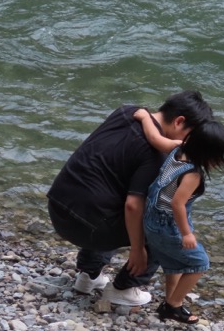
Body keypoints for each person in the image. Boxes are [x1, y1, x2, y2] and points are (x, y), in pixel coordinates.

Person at [47, 91, 213, 306]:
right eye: (190, 136)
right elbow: (133, 206)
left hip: (58, 206)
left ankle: (88, 276)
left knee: (105, 195)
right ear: (180, 121)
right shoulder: (157, 156)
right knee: (161, 226)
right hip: (88, 227)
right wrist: (138, 250)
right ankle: (123, 288)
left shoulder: (126, 112)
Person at [133, 108, 224, 323]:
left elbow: (156, 139)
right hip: (166, 223)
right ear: (204, 152)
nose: (218, 164)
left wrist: (144, 117)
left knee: (175, 263)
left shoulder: (178, 149)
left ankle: (170, 298)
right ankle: (173, 305)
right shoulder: (193, 174)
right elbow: (178, 204)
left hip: (151, 215)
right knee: (199, 263)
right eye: (217, 159)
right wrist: (186, 234)